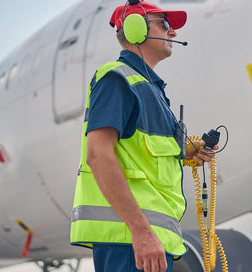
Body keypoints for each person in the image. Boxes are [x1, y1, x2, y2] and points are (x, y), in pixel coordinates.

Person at [70, 1, 214, 272]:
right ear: (136, 29)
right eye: (165, 24)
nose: (172, 33)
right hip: (131, 242)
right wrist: (141, 232)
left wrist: (188, 152)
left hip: (150, 241)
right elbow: (98, 155)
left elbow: (144, 156)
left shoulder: (151, 90)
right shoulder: (116, 79)